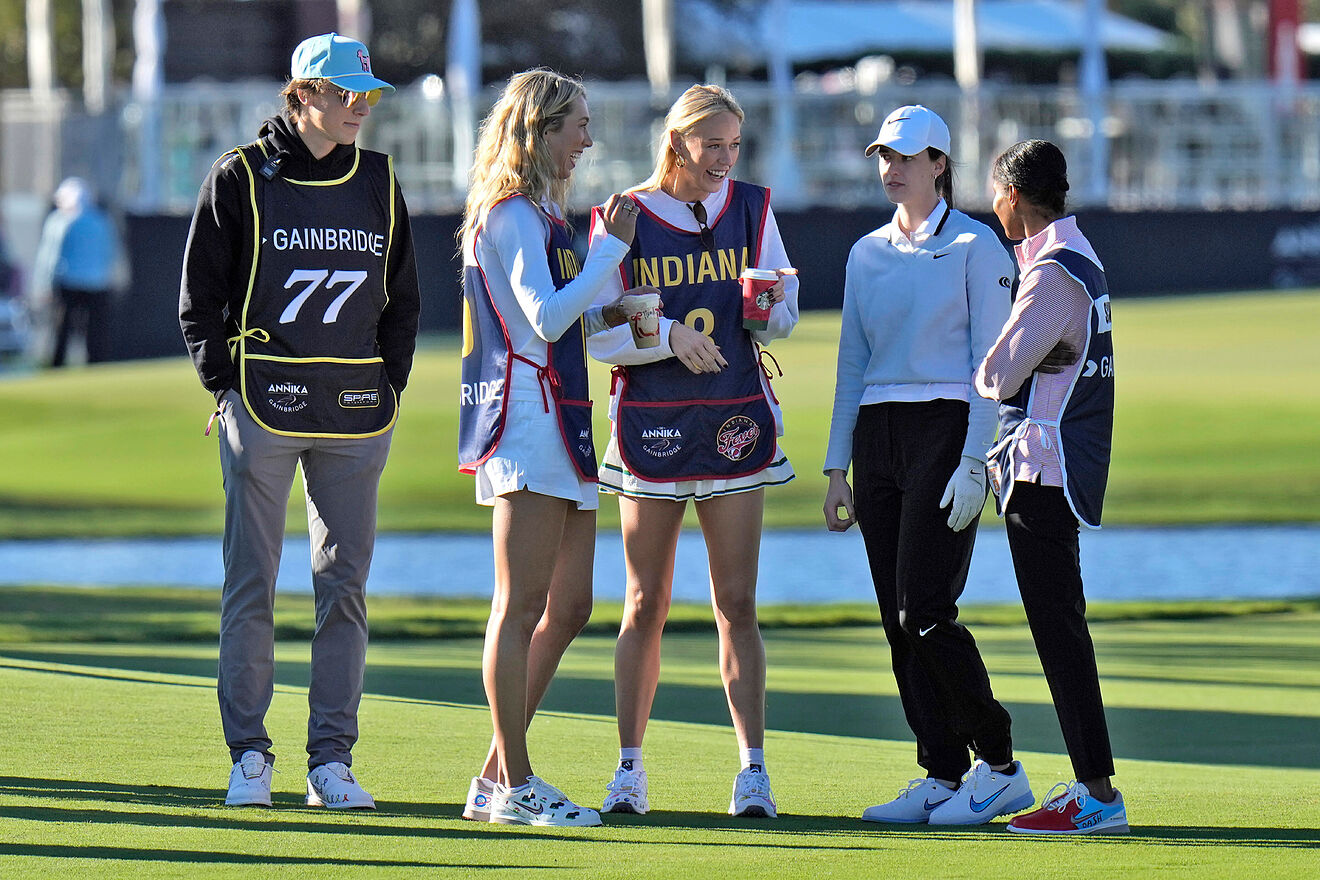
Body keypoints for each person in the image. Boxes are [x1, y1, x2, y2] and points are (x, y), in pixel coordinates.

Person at [178, 33, 420, 811]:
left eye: (367, 96)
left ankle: (331, 762)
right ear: (302, 92)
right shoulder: (240, 176)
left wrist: (390, 388)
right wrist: (227, 389)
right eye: (345, 93)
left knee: (342, 588)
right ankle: (249, 754)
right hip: (263, 405)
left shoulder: (379, 180)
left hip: (355, 413)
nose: (359, 107)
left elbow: (402, 300)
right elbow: (200, 302)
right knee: (252, 583)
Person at [586, 83, 799, 819]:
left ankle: (753, 771)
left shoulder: (754, 207)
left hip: (738, 420)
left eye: (734, 145)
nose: (725, 159)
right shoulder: (623, 215)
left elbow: (783, 315)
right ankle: (629, 769)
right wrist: (667, 335)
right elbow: (596, 328)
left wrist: (769, 308)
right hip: (652, 424)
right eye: (713, 144)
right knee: (643, 603)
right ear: (677, 143)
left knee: (736, 602)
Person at [822, 105, 1030, 826]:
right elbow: (852, 363)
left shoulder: (977, 246)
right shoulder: (865, 252)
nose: (892, 168)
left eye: (907, 157)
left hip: (947, 425)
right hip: (877, 433)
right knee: (894, 619)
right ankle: (942, 772)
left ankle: (999, 763)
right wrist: (835, 469)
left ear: (940, 163)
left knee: (926, 609)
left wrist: (977, 462)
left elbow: (989, 368)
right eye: (885, 155)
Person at [457, 68, 653, 828]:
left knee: (569, 605)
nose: (589, 139)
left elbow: (579, 319)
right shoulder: (510, 216)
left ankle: (492, 776)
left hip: (563, 418)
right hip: (529, 420)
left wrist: (641, 319)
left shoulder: (545, 216)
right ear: (538, 129)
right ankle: (516, 783)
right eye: (577, 124)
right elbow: (542, 318)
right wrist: (609, 254)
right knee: (519, 607)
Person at [975, 139, 1128, 835]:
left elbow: (997, 376)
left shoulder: (1051, 274)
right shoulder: (1078, 256)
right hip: (1055, 465)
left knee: (1059, 630)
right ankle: (1093, 786)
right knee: (1061, 627)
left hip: (1041, 467)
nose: (990, 202)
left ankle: (1097, 795)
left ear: (1013, 195)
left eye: (994, 191)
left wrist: (1008, 348)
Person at [30, 176, 122, 366]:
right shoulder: (101, 221)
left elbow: (49, 256)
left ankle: (58, 365)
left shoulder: (59, 221)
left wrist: (43, 284)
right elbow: (112, 252)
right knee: (95, 330)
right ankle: (95, 365)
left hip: (68, 282)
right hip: (98, 282)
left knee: (62, 328)